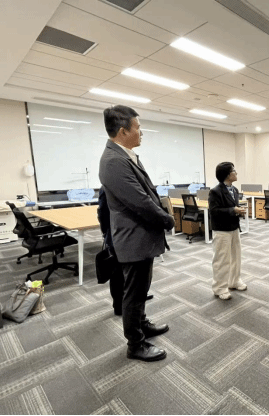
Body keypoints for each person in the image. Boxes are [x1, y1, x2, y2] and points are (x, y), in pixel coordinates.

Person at [99, 105, 175, 362]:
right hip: (133, 238)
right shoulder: (113, 161)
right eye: (138, 128)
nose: (141, 132)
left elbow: (146, 192)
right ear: (123, 131)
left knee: (141, 289)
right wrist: (166, 219)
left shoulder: (125, 155)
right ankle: (136, 344)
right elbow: (140, 201)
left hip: (140, 237)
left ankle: (142, 324)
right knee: (133, 293)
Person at [97, 187, 154, 317]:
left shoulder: (129, 185)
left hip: (132, 236)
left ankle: (136, 297)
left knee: (135, 273)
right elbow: (103, 214)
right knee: (117, 274)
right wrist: (106, 233)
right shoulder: (107, 187)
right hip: (117, 236)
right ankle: (118, 305)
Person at [208, 162, 247, 300]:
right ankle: (220, 288)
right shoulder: (215, 191)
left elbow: (232, 207)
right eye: (233, 171)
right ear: (227, 175)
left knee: (236, 257)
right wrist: (233, 210)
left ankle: (234, 281)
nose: (236, 173)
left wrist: (238, 211)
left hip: (234, 228)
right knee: (221, 259)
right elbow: (214, 211)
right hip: (222, 230)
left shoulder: (234, 190)